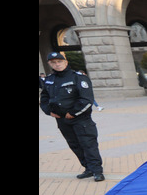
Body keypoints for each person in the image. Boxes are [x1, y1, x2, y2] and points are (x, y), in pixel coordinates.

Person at [40, 52, 105, 181]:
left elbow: (87, 99)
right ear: (49, 64)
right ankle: (88, 168)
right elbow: (44, 98)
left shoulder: (78, 77)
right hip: (62, 120)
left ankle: (97, 171)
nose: (57, 64)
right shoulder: (49, 79)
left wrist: (73, 113)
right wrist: (48, 111)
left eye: (59, 61)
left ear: (65, 62)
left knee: (88, 144)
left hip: (81, 119)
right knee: (74, 145)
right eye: (53, 62)